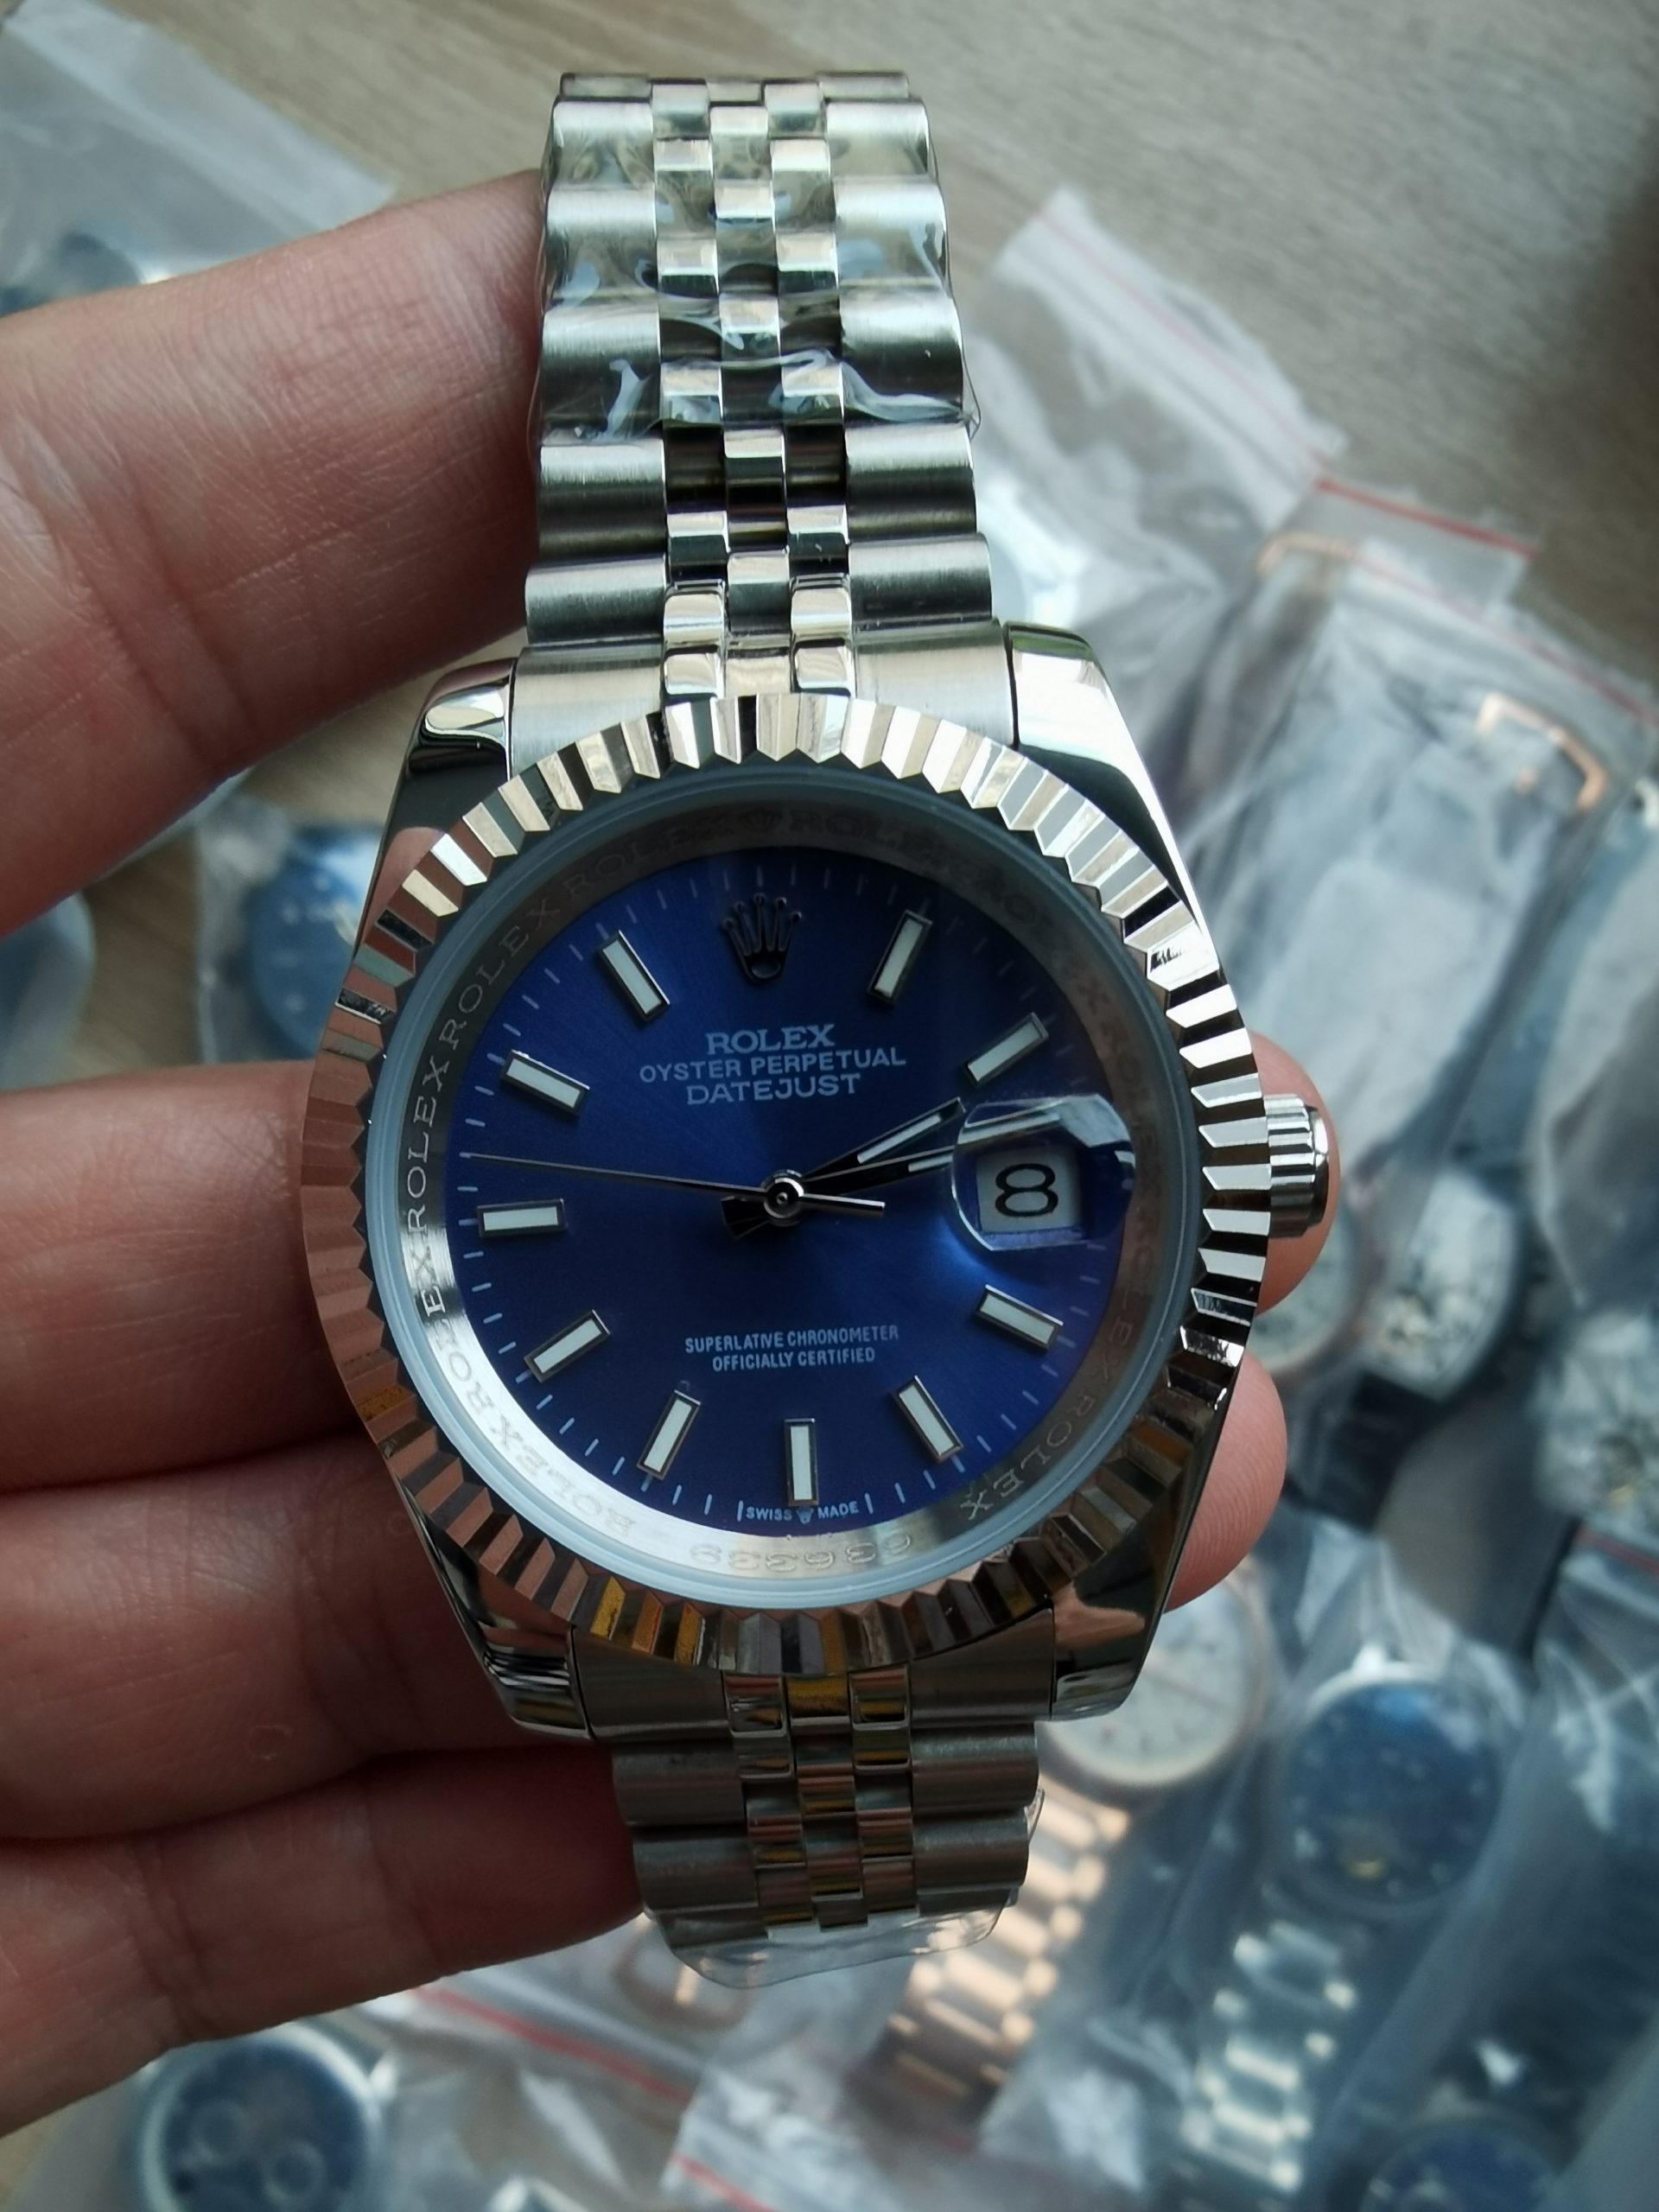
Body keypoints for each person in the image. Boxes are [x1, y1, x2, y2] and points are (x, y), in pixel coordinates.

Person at [0, 175, 1334, 2133]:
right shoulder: (1012, 726)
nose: (781, 1199)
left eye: (786, 1196)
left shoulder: (1027, 732)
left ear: (1249, 1160)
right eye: (774, 1196)